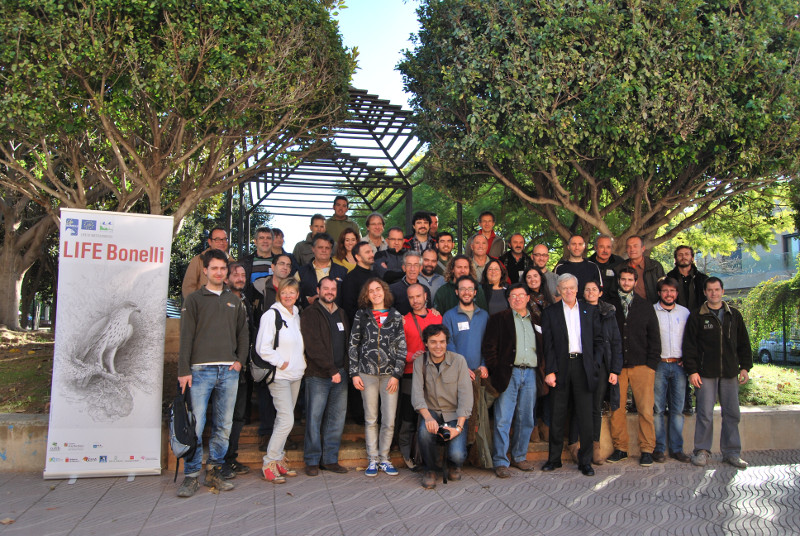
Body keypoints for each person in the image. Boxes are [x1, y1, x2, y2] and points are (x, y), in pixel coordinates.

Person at [176, 249, 248, 497]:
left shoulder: (235, 301)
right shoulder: (194, 300)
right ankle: (191, 475)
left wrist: (239, 362)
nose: (219, 272)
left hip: (228, 372)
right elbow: (185, 338)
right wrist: (183, 370)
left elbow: (243, 334)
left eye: (222, 268)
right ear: (205, 271)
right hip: (200, 372)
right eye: (214, 268)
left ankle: (215, 470)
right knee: (195, 426)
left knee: (224, 425)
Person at [683, 277, 752, 469]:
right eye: (710, 290)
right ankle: (702, 451)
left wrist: (745, 367)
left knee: (732, 413)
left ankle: (731, 452)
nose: (714, 293)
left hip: (729, 373)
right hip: (705, 373)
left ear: (722, 291)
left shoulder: (734, 315)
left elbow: (744, 343)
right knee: (704, 413)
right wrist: (692, 371)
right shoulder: (697, 316)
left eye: (717, 289)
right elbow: (689, 346)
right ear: (705, 292)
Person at [541, 274, 603, 476]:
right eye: (564, 288)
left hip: (583, 366)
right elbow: (547, 345)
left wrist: (594, 364)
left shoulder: (590, 311)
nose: (568, 291)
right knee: (557, 414)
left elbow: (599, 341)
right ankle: (554, 459)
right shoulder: (550, 312)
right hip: (560, 366)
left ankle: (585, 461)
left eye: (571, 287)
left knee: (585, 416)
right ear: (558, 290)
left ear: (577, 289)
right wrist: (549, 370)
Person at [482, 284, 542, 477]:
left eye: (521, 295)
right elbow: (489, 347)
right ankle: (500, 460)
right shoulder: (499, 319)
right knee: (503, 419)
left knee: (527, 418)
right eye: (513, 295)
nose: (517, 298)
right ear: (508, 300)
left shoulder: (537, 319)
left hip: (531, 374)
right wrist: (496, 369)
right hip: (508, 373)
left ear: (527, 298)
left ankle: (519, 456)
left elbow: (543, 347)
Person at [349, 278, 406, 477]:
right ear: (367, 295)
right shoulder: (361, 316)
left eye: (378, 289)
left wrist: (397, 374)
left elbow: (402, 347)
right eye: (371, 290)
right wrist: (354, 373)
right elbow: (353, 345)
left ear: (384, 292)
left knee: (389, 419)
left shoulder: (395, 315)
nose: (375, 293)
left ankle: (385, 458)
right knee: (371, 418)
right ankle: (372, 459)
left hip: (390, 376)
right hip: (367, 374)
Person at [605, 267, 661, 466]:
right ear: (619, 280)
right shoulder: (610, 305)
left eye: (630, 279)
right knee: (617, 409)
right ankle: (621, 448)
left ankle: (647, 449)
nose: (626, 282)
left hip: (642, 365)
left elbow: (654, 336)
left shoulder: (645, 306)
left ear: (636, 282)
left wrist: (652, 364)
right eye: (623, 279)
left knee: (645, 410)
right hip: (617, 366)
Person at [255, 278, 306, 484]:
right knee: (287, 420)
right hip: (279, 376)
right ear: (278, 293)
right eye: (284, 292)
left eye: (292, 292)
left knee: (282, 420)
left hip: (295, 375)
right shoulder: (271, 315)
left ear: (297, 295)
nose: (288, 296)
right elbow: (262, 347)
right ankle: (269, 462)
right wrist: (280, 363)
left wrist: (299, 362)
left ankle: (277, 460)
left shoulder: (296, 315)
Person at [413, 324, 473, 489]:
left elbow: (466, 397)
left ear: (447, 342)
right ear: (426, 343)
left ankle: (454, 464)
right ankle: (430, 469)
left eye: (442, 342)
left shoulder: (459, 361)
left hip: (454, 413)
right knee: (425, 433)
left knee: (458, 454)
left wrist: (459, 428)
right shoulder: (420, 362)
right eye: (433, 342)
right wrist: (427, 417)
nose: (438, 346)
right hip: (431, 410)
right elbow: (417, 395)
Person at [301, 276, 350, 476]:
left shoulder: (341, 313)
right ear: (318, 290)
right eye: (326, 288)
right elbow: (313, 346)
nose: (329, 292)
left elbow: (347, 342)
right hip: (318, 375)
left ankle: (330, 459)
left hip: (341, 374)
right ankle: (312, 460)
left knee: (336, 419)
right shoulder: (310, 313)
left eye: (333, 288)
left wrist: (343, 369)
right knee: (314, 418)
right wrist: (331, 370)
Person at [576, 280, 622, 465]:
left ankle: (595, 447)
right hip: (580, 363)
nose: (590, 292)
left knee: (596, 406)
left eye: (594, 289)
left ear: (600, 293)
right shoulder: (577, 310)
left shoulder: (608, 313)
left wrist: (615, 369)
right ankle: (577, 446)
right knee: (579, 406)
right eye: (587, 290)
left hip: (602, 365)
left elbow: (616, 342)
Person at [253, 254, 294, 452]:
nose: (285, 267)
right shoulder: (261, 288)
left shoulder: (293, 296)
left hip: (287, 361)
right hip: (268, 356)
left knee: (284, 409)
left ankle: (280, 443)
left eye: (288, 265)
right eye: (281, 264)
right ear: (273, 266)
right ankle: (266, 436)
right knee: (266, 399)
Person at [400, 283, 443, 470]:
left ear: (426, 296)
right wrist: (411, 356)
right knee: (408, 416)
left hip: (433, 375)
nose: (415, 300)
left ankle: (428, 456)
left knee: (431, 415)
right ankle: (407, 454)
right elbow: (397, 349)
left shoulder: (437, 316)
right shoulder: (404, 320)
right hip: (410, 373)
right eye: (411, 297)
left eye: (418, 296)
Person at [220, 262, 254, 480]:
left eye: (243, 275)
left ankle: (230, 458)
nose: (240, 278)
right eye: (236, 274)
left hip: (243, 367)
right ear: (226, 278)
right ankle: (219, 461)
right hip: (225, 366)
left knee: (239, 416)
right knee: (224, 417)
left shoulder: (245, 301)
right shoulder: (221, 300)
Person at [652, 277, 692, 464]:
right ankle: (659, 449)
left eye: (672, 291)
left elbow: (691, 340)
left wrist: (688, 359)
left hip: (679, 366)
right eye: (665, 291)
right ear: (659, 293)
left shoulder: (685, 313)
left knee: (677, 409)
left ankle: (677, 449)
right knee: (658, 409)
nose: (669, 294)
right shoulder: (652, 311)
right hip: (659, 365)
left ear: (677, 293)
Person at [666, 244, 709, 416]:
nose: (683, 257)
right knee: (678, 362)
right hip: (675, 324)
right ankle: (683, 402)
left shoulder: (702, 279)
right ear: (675, 258)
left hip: (698, 326)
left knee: (697, 362)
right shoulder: (669, 278)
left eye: (686, 254)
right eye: (680, 255)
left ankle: (701, 402)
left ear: (692, 257)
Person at [297, 233, 347, 308]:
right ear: (313, 249)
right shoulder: (301, 272)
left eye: (327, 248)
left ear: (331, 250)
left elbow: (347, 298)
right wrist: (307, 300)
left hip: (336, 316)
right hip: (310, 316)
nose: (324, 250)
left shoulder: (342, 272)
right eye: (320, 247)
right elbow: (294, 296)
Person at [613, 236, 665, 304]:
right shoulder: (619, 268)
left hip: (652, 308)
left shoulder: (655, 266)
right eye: (629, 247)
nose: (632, 249)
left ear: (643, 248)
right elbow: (613, 293)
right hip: (627, 310)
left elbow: (664, 289)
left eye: (635, 246)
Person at [182, 227, 230, 298]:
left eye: (224, 239)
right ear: (210, 242)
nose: (221, 242)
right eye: (217, 239)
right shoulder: (198, 260)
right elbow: (188, 287)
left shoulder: (233, 263)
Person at [341, 241, 377, 323]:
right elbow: (349, 309)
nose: (372, 255)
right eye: (367, 252)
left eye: (372, 251)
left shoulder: (376, 275)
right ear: (358, 257)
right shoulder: (350, 279)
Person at [240, 227, 274, 311]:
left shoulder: (280, 262)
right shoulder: (244, 262)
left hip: (273, 307)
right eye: (261, 238)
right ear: (255, 241)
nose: (265, 241)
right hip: (250, 308)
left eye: (268, 238)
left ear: (273, 241)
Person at [390, 251, 433, 316]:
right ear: (404, 268)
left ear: (420, 268)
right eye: (409, 265)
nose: (412, 269)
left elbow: (428, 312)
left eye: (416, 265)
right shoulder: (392, 289)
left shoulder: (425, 289)